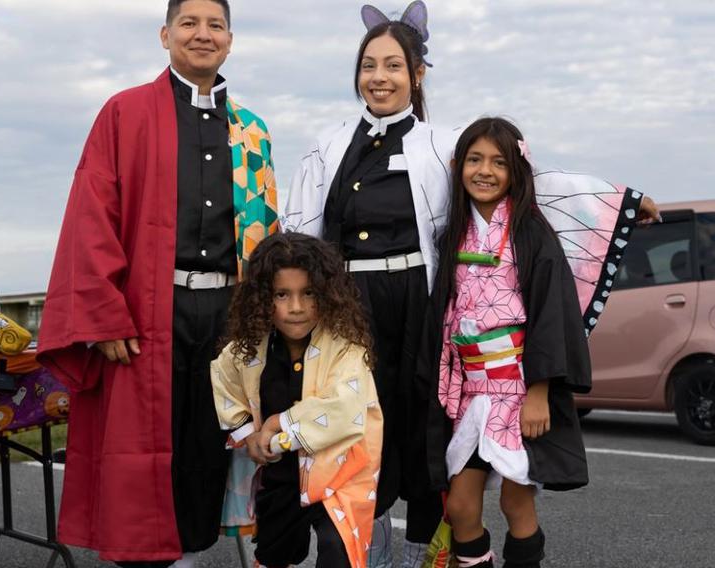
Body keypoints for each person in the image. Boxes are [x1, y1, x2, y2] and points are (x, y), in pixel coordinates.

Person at [36, 1, 279, 565]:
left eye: (215, 25)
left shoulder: (252, 131)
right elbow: (91, 215)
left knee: (206, 446)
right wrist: (102, 314)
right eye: (189, 24)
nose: (202, 34)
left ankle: (189, 556)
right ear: (165, 34)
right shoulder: (124, 112)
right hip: (147, 311)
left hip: (228, 312)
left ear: (230, 39)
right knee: (142, 454)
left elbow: (267, 231)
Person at [423, 117, 649, 567]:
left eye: (498, 162)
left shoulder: (532, 233)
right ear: (458, 166)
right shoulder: (450, 234)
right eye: (474, 160)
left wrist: (541, 391)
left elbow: (551, 311)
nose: (484, 171)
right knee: (462, 507)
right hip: (469, 390)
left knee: (515, 502)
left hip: (518, 387)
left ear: (516, 171)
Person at [283, 2, 450, 564]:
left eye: (393, 66)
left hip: (419, 303)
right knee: (354, 421)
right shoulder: (329, 148)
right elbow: (299, 230)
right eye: (369, 66)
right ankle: (365, 542)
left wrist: (618, 200)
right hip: (351, 306)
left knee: (421, 417)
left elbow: (515, 179)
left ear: (417, 75)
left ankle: (424, 548)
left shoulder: (443, 148)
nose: (379, 77)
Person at [211, 232, 383, 568]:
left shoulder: (347, 347)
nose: (297, 308)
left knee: (338, 550)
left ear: (326, 294)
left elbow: (344, 408)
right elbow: (223, 378)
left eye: (308, 293)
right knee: (275, 554)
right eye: (281, 295)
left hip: (341, 474)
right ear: (263, 298)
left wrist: (277, 424)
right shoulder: (252, 348)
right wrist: (248, 435)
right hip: (282, 474)